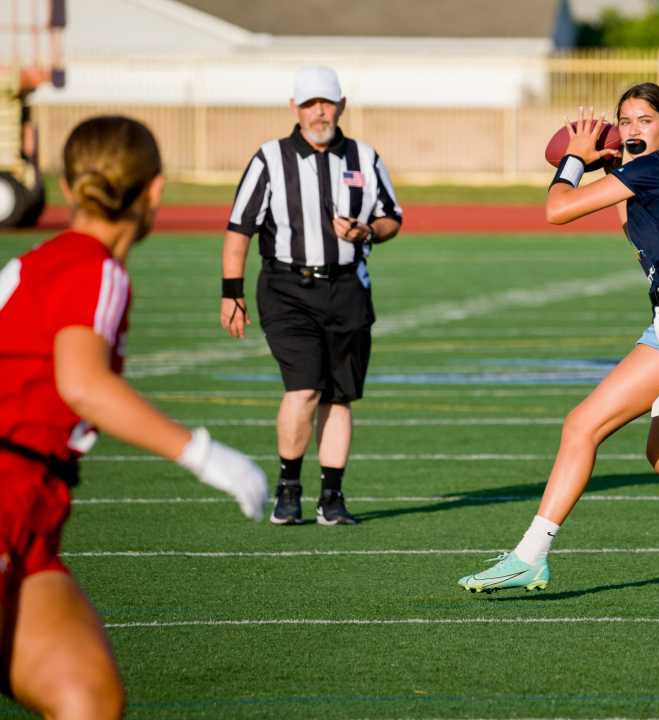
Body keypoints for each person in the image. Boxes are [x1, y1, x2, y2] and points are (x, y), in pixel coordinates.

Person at [458, 83, 659, 594]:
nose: (631, 130)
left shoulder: (658, 167)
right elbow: (632, 224)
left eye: (645, 120)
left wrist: (574, 160)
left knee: (581, 426)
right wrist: (609, 165)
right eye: (624, 121)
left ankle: (530, 555)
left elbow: (557, 210)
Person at [0, 116, 267, 719]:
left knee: (88, 699)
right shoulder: (94, 268)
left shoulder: (48, 261)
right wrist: (203, 454)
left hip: (29, 522)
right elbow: (83, 384)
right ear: (155, 191)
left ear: (67, 190)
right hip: (6, 497)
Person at [220, 66, 402, 526]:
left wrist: (367, 231)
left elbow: (392, 218)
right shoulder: (269, 159)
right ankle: (288, 488)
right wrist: (231, 292)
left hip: (348, 288)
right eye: (309, 103)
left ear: (341, 104)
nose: (318, 111)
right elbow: (240, 229)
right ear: (294, 109)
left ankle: (332, 497)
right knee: (303, 388)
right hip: (288, 288)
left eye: (326, 102)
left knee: (338, 397)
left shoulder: (364, 156)